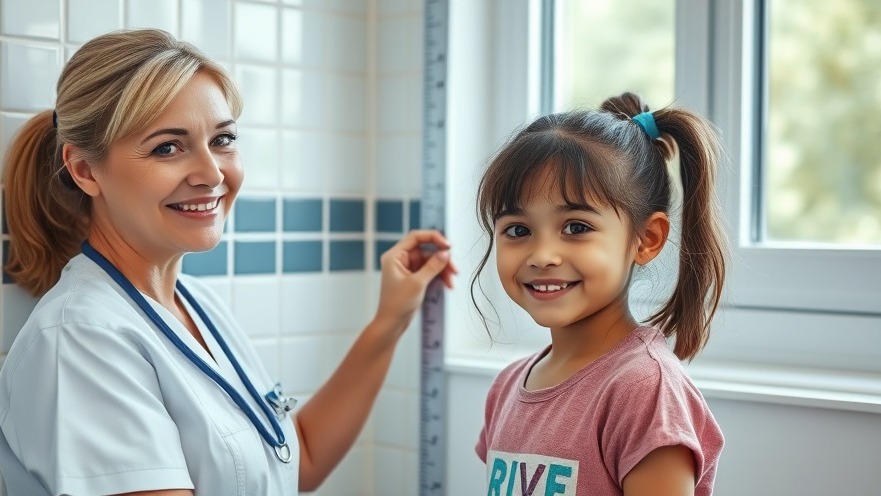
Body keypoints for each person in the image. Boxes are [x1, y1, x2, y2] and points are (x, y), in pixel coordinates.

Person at [0, 28, 455, 496]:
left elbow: (297, 461)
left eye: (222, 139)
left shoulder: (194, 304)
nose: (212, 173)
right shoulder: (80, 340)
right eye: (167, 147)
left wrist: (390, 321)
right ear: (84, 169)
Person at [472, 92, 727, 495]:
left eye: (576, 227)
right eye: (518, 230)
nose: (542, 256)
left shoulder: (644, 391)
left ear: (646, 238)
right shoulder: (506, 388)